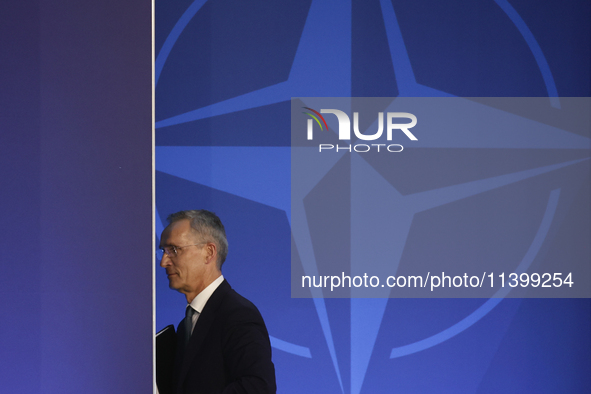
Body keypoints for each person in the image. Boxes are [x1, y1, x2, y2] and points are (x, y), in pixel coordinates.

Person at [158, 209, 276, 394]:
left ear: (208, 252)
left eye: (173, 250)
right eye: (163, 251)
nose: (163, 261)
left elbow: (258, 386)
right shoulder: (185, 326)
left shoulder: (238, 314)